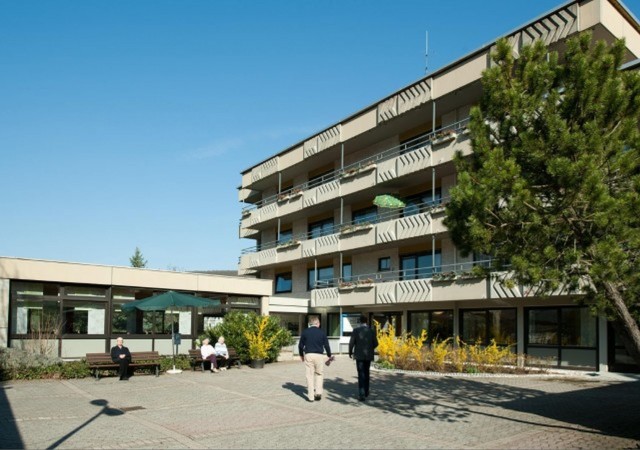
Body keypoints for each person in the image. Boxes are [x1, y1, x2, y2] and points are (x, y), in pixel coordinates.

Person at [298, 315, 332, 402]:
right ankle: (318, 393)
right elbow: (326, 345)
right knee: (319, 374)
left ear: (310, 323)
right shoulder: (322, 332)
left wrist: (301, 355)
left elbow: (300, 345)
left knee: (309, 376)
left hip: (309, 355)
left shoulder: (305, 332)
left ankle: (310, 397)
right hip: (319, 356)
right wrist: (329, 355)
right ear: (318, 323)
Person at [349, 315, 378, 401]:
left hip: (359, 355)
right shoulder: (371, 331)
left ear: (360, 321)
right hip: (368, 355)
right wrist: (369, 348)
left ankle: (361, 394)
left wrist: (350, 352)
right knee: (366, 373)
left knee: (361, 374)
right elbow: (376, 343)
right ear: (366, 321)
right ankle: (366, 391)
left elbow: (351, 343)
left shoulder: (356, 330)